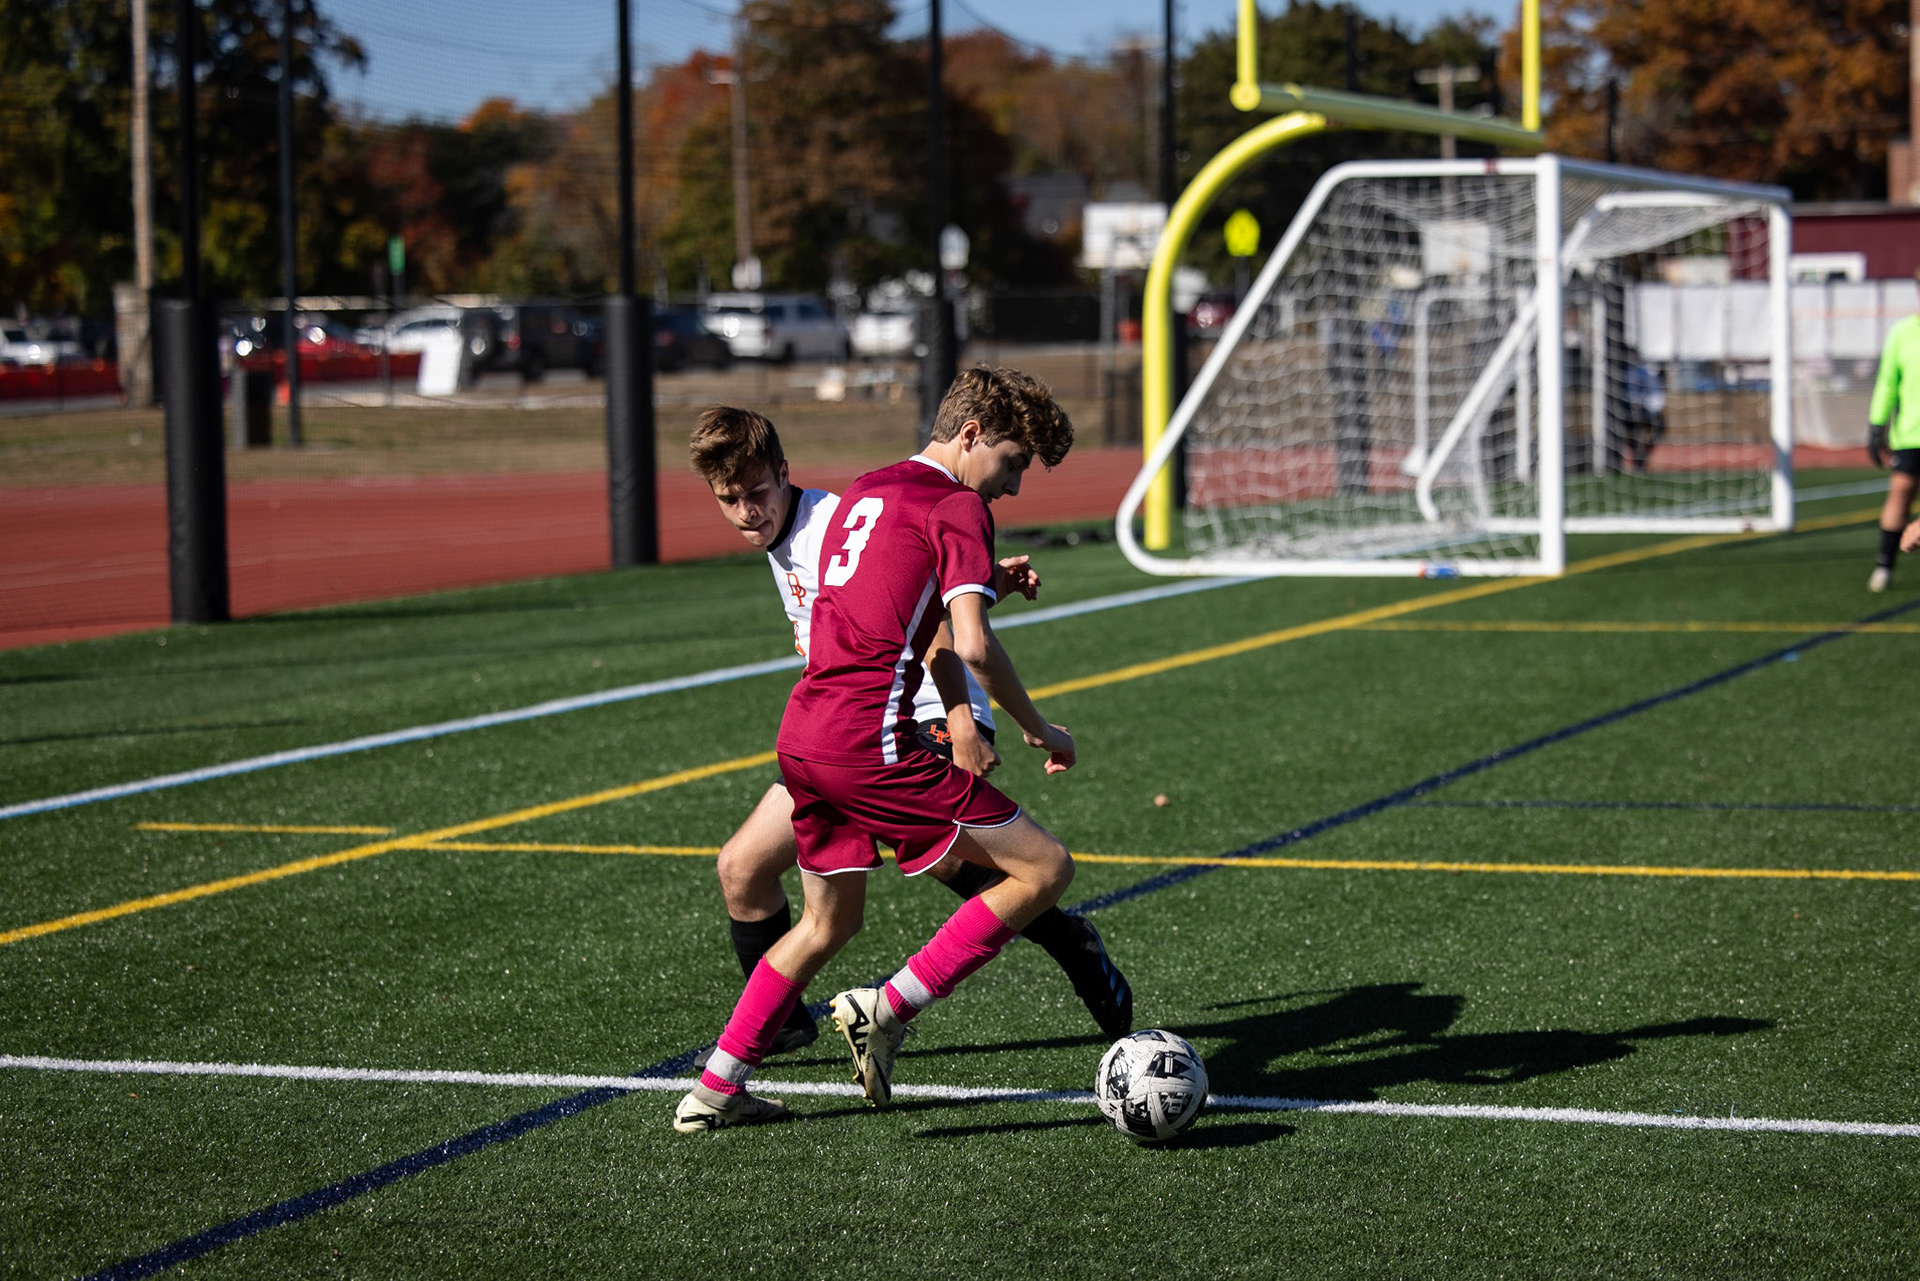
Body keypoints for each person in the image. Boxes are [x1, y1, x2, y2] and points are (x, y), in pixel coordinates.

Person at [675, 384, 1126, 1131]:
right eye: (1013, 464)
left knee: (829, 920)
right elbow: (966, 643)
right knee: (1043, 868)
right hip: (877, 739)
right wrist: (1040, 728)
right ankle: (886, 1007)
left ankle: (715, 1087)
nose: (1013, 485)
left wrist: (960, 696)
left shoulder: (866, 489)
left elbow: (903, 620)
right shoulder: (957, 507)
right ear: (974, 435)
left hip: (807, 735)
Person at [1867, 268, 1920, 591]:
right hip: (1910, 435)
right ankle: (1884, 565)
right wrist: (1876, 426)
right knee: (1900, 492)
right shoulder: (1902, 333)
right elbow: (1887, 383)